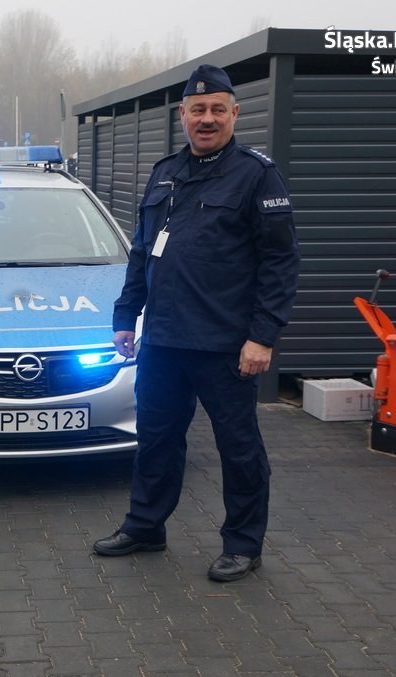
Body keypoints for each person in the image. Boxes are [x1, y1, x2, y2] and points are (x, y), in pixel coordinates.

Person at [93, 64, 301, 583]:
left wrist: (262, 335)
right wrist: (126, 315)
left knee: (239, 447)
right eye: (197, 110)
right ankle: (146, 526)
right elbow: (143, 250)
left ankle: (243, 544)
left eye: (217, 110)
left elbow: (281, 262)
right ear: (182, 115)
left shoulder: (256, 175)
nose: (206, 119)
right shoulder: (165, 172)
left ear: (235, 113)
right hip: (163, 340)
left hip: (226, 345)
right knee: (157, 438)